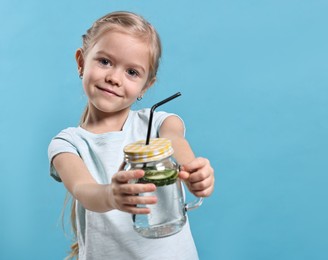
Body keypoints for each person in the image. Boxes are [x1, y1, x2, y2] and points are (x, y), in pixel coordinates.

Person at [48, 11, 215, 260]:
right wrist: (111, 196)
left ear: (145, 86)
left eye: (132, 72)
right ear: (81, 62)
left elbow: (175, 142)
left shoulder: (158, 123)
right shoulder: (68, 143)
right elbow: (83, 189)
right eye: (104, 61)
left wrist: (194, 172)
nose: (114, 78)